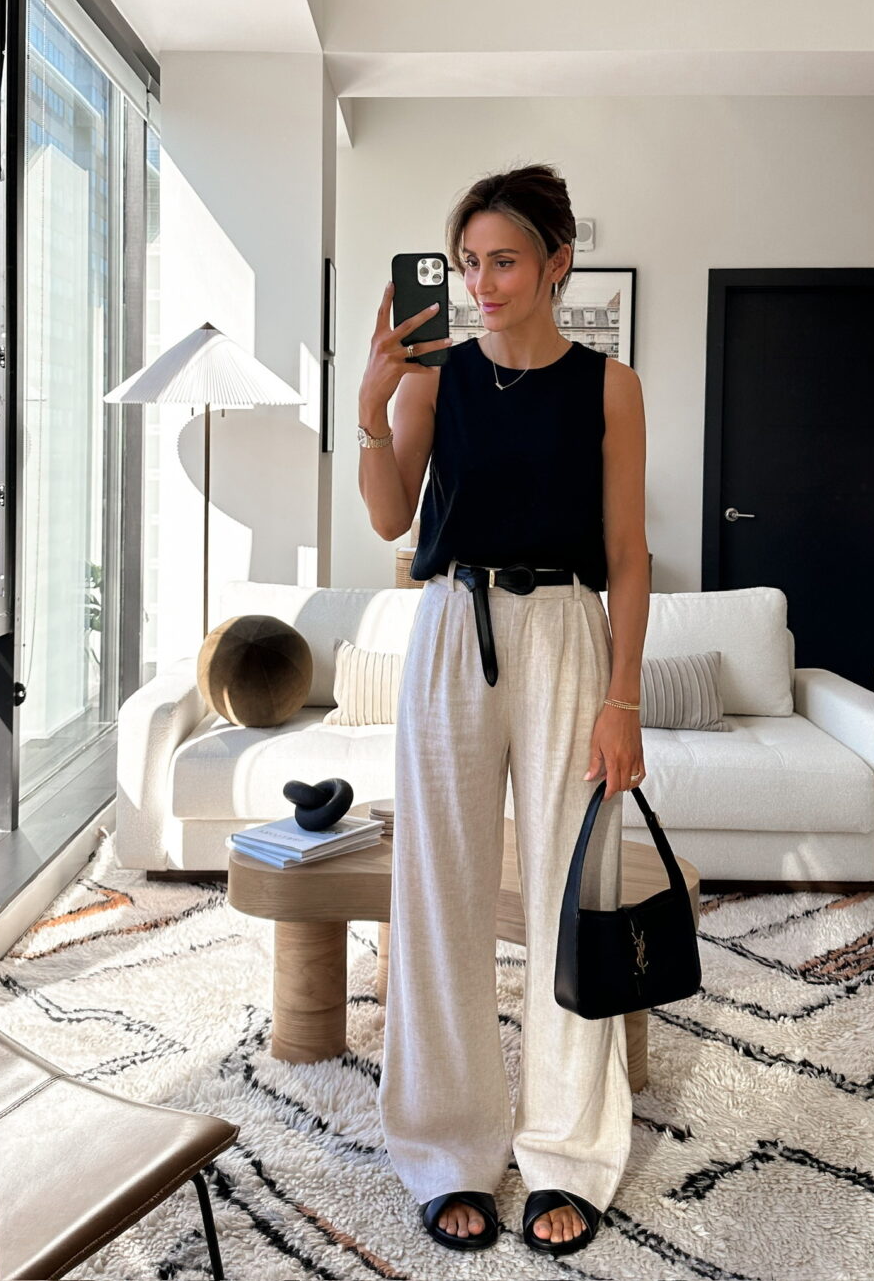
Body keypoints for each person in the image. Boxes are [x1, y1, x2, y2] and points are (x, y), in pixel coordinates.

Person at [357, 163, 649, 1258]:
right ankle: (448, 1148)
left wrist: (623, 696)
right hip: (451, 626)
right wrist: (372, 406)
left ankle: (569, 1153)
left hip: (571, 630)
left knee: (575, 894)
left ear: (558, 263)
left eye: (505, 261)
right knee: (440, 895)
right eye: (470, 261)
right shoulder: (438, 375)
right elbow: (393, 515)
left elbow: (629, 553)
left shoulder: (610, 387)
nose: (482, 281)